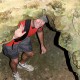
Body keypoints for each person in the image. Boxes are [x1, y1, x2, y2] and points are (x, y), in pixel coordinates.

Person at [2, 16, 48, 80]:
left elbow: (40, 32)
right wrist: (14, 36)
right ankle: (15, 73)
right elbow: (2, 38)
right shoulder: (20, 23)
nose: (41, 23)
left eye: (43, 21)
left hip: (24, 38)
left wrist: (42, 45)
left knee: (30, 54)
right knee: (15, 61)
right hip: (10, 42)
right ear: (33, 17)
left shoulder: (39, 25)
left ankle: (21, 64)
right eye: (39, 19)